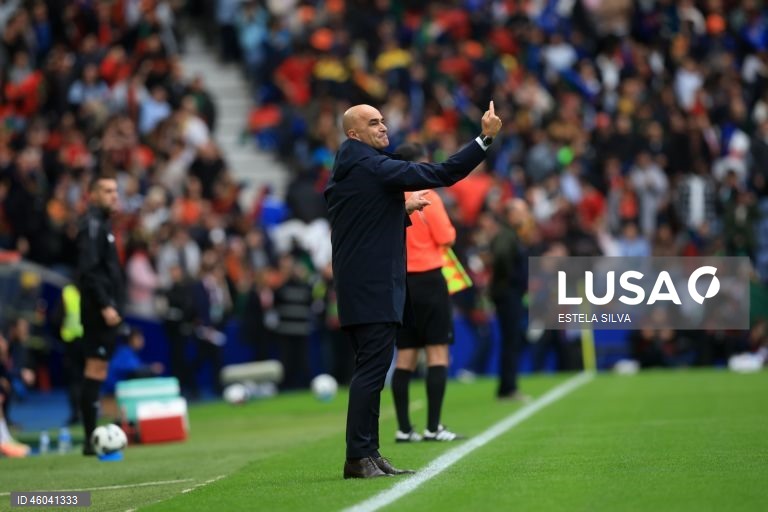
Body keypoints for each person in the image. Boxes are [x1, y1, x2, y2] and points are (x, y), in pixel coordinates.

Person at [325, 102, 502, 479]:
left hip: (360, 284)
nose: (383, 127)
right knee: (371, 373)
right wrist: (484, 139)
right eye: (373, 123)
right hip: (373, 286)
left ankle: (369, 453)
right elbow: (443, 172)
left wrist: (400, 211)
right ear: (354, 134)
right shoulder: (373, 167)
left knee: (372, 370)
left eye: (383, 120)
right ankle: (358, 457)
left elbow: (358, 222)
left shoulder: (349, 170)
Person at [390, 142, 464, 443]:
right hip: (430, 279)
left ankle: (404, 428)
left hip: (401, 282)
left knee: (404, 358)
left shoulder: (391, 197)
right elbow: (447, 237)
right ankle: (433, 427)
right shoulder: (428, 197)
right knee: (437, 353)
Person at [77, 174, 125, 456]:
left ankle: (90, 435)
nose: (114, 195)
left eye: (115, 190)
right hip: (98, 311)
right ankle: (88, 439)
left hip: (105, 309)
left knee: (100, 368)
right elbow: (90, 270)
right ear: (93, 195)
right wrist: (106, 304)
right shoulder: (92, 225)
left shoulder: (102, 225)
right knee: (94, 368)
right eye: (107, 190)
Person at [489, 199, 531, 401]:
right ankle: (508, 388)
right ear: (511, 214)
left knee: (511, 339)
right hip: (508, 294)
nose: (525, 215)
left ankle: (507, 386)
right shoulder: (506, 235)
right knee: (511, 340)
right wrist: (512, 280)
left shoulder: (510, 234)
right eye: (521, 211)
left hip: (508, 292)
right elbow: (501, 258)